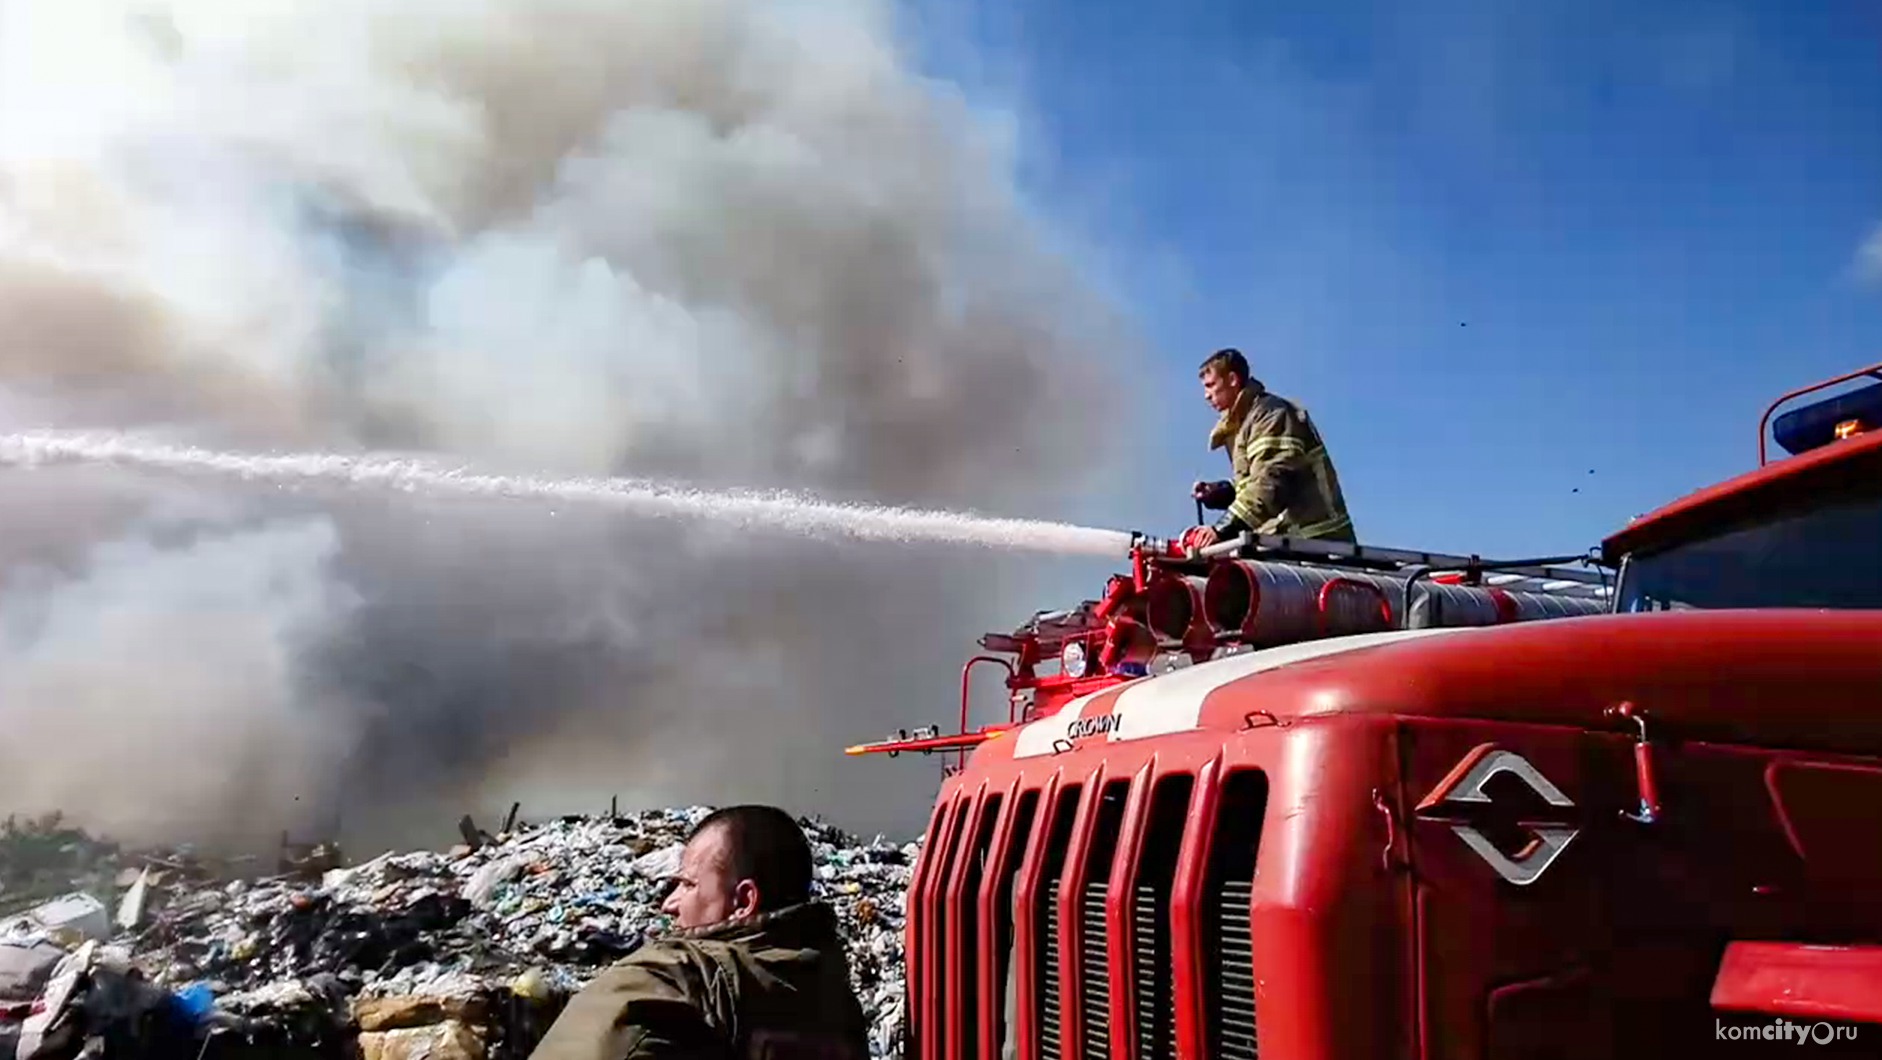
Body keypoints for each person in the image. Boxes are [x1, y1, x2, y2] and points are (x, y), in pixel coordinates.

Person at [529, 805, 871, 1060]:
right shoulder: (838, 1004)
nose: (669, 904)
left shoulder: (677, 977)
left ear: (744, 901)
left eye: (687, 885)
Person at [1186, 348, 1356, 549]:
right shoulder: (1249, 421)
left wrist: (1221, 529)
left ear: (1232, 379)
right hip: (1294, 542)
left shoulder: (1270, 415)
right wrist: (1221, 492)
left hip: (1315, 540)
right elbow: (1259, 481)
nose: (1206, 395)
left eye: (1211, 385)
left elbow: (1273, 482)